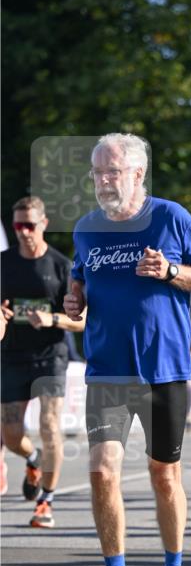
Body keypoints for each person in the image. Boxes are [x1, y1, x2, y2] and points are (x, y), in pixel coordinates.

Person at [64, 133, 191, 566]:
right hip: (107, 370)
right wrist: (75, 298)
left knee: (163, 475)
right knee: (101, 472)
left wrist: (172, 270)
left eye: (112, 171)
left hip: (164, 369)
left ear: (137, 173)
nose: (103, 181)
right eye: (97, 172)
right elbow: (80, 278)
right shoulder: (87, 228)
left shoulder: (171, 217)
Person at [1, 196, 85, 527]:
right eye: (18, 225)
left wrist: (53, 320)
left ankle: (45, 502)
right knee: (10, 435)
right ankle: (32, 459)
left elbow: (81, 320)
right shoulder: (4, 263)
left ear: (44, 224)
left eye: (29, 225)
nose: (23, 232)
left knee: (50, 426)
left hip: (50, 355)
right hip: (11, 355)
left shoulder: (62, 267)